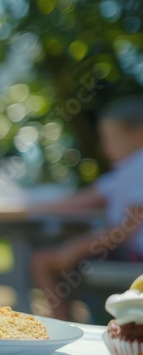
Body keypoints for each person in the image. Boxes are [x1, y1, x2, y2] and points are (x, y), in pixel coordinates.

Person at [30, 97, 143, 321]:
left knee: (44, 261)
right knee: (57, 261)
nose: (104, 146)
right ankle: (67, 324)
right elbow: (79, 201)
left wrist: (76, 249)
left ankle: (59, 325)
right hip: (126, 253)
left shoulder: (138, 167)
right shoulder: (125, 172)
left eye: (110, 138)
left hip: (135, 258)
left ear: (138, 134)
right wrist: (30, 203)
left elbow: (129, 227)